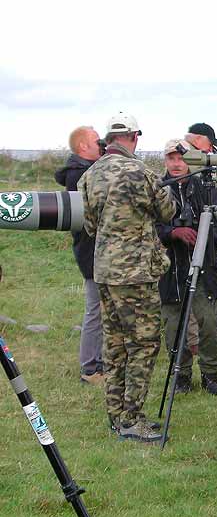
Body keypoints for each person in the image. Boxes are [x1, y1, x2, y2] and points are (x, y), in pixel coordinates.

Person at [79, 113, 175, 443]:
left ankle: (116, 413)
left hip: (104, 268)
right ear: (133, 136)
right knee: (144, 343)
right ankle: (131, 417)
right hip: (135, 271)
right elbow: (167, 212)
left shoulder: (91, 174)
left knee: (115, 342)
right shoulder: (140, 172)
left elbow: (89, 224)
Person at [156, 139, 217, 395]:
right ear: (165, 161)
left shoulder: (207, 189)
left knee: (209, 322)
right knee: (173, 326)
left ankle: (211, 374)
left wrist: (203, 236)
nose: (177, 164)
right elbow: (148, 226)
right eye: (171, 159)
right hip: (170, 268)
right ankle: (182, 377)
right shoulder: (156, 189)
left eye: (182, 158)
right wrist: (173, 233)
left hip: (205, 270)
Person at [55, 125, 104, 385]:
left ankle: (98, 363)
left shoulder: (83, 171)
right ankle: (90, 368)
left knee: (101, 309)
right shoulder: (81, 175)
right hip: (91, 250)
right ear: (83, 147)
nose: (103, 144)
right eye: (97, 141)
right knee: (95, 311)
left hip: (92, 249)